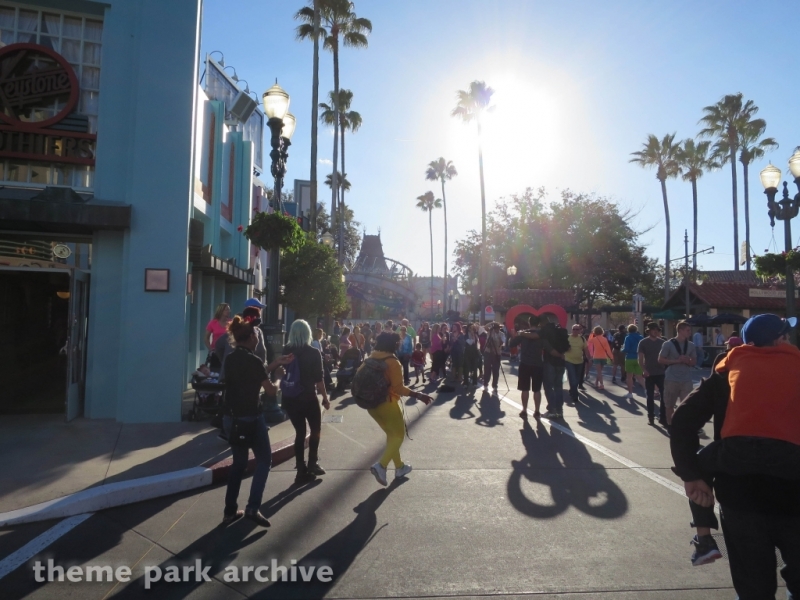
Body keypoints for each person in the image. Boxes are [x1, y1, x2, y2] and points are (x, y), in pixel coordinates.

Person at [670, 314, 800, 593]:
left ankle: (703, 538)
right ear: (781, 340)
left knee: (753, 583)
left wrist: (691, 475)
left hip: (739, 490)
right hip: (794, 488)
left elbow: (682, 421)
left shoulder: (727, 372)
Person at [222, 316, 292, 526]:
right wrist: (279, 376)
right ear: (251, 337)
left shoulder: (232, 358)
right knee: (264, 460)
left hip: (231, 417)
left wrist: (275, 364)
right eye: (256, 335)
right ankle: (253, 507)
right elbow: (270, 389)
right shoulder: (252, 360)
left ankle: (229, 511)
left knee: (239, 463)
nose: (258, 339)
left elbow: (256, 373)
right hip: (251, 417)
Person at [367, 332, 433, 486]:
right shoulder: (392, 362)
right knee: (398, 435)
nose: (399, 344)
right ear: (393, 344)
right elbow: (397, 388)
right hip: (387, 403)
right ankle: (381, 465)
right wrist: (417, 394)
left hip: (371, 405)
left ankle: (400, 467)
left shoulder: (371, 358)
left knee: (391, 435)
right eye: (398, 343)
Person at [283, 319, 330, 483]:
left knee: (300, 433)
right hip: (308, 398)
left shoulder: (286, 350)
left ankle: (300, 468)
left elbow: (280, 372)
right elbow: (319, 379)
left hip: (290, 398)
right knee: (315, 429)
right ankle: (312, 462)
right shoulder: (313, 352)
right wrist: (324, 397)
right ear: (308, 333)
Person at [658, 320, 697, 426]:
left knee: (686, 404)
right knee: (669, 404)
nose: (690, 332)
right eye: (687, 330)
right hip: (671, 378)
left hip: (686, 379)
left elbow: (694, 362)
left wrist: (687, 360)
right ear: (680, 330)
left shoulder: (691, 345)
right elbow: (661, 359)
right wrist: (676, 361)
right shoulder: (668, 344)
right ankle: (671, 425)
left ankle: (683, 426)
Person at [508, 316, 544, 418]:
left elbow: (512, 344)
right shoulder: (541, 334)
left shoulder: (523, 334)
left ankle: (524, 410)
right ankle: (537, 411)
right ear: (538, 323)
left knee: (525, 389)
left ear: (529, 322)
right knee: (537, 389)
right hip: (537, 363)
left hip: (525, 362)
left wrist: (513, 335)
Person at [637, 322, 667, 426]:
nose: (655, 331)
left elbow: (667, 357)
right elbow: (640, 359)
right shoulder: (643, 342)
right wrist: (643, 370)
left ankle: (663, 417)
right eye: (653, 329)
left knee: (664, 396)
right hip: (649, 373)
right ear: (648, 330)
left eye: (657, 329)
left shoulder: (663, 342)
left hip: (661, 372)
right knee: (650, 396)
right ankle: (651, 416)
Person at [540, 320, 568, 419]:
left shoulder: (546, 333)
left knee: (548, 386)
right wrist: (561, 355)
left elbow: (549, 349)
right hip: (561, 363)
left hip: (550, 362)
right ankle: (559, 410)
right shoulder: (561, 332)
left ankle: (552, 410)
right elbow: (567, 347)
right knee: (558, 386)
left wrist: (558, 354)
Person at [564, 324, 589, 403]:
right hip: (569, 360)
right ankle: (575, 396)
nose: (575, 331)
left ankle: (572, 390)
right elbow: (561, 347)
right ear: (571, 330)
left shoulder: (582, 338)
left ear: (580, 330)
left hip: (579, 361)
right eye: (574, 329)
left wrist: (589, 358)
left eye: (577, 329)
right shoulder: (567, 338)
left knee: (577, 379)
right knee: (573, 378)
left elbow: (586, 349)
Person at [204, 303, 231, 369]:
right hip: (216, 352)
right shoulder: (213, 323)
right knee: (215, 372)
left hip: (227, 352)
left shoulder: (231, 322)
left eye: (229, 310)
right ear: (221, 311)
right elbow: (206, 338)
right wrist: (210, 349)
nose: (228, 311)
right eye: (226, 310)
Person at [623, 324, 645, 401]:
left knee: (629, 377)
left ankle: (630, 393)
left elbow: (626, 348)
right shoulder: (641, 337)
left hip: (630, 358)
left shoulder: (628, 337)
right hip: (639, 358)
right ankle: (647, 391)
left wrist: (622, 350)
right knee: (639, 376)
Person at [482, 322, 504, 393]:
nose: (496, 329)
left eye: (497, 328)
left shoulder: (502, 334)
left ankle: (495, 385)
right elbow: (485, 327)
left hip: (497, 353)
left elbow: (502, 343)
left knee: (495, 370)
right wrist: (492, 323)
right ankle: (485, 383)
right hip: (488, 353)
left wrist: (499, 343)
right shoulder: (490, 332)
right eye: (495, 328)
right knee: (487, 369)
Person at [463, 323, 482, 387]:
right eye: (471, 328)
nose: (472, 329)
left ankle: (475, 382)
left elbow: (478, 344)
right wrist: (473, 336)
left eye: (473, 328)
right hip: (467, 353)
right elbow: (470, 342)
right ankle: (465, 382)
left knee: (475, 368)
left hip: (475, 353)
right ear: (468, 328)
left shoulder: (476, 335)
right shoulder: (466, 336)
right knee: (467, 368)